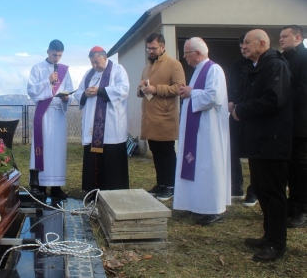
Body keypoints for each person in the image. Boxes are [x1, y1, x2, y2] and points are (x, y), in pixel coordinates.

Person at [232, 29, 291, 262]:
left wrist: (241, 110)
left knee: (274, 193)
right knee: (263, 191)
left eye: (248, 42)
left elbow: (274, 100)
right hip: (258, 141)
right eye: (243, 43)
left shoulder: (276, 66)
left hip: (273, 140)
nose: (244, 46)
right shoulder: (256, 67)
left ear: (263, 43)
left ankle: (277, 244)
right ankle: (269, 236)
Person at [173, 37, 231, 226]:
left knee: (208, 167)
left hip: (209, 129)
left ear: (197, 53)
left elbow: (215, 96)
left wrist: (192, 93)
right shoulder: (198, 71)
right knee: (197, 166)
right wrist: (187, 92)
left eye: (186, 53)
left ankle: (212, 209)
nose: (184, 57)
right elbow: (196, 93)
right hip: (197, 129)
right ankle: (197, 204)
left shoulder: (214, 69)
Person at [74, 46, 130, 191]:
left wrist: (100, 91)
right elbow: (78, 92)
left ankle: (114, 191)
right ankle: (93, 191)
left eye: (96, 62)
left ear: (105, 58)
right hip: (92, 126)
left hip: (112, 125)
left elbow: (124, 89)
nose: (94, 65)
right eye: (92, 62)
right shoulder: (89, 74)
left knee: (112, 161)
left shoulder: (118, 70)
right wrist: (85, 94)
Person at [137, 33, 185, 201]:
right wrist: (142, 87)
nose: (150, 51)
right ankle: (161, 184)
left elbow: (179, 88)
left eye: (153, 48)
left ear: (163, 47)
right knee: (155, 151)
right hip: (150, 116)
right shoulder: (146, 67)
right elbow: (143, 92)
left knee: (166, 151)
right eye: (148, 48)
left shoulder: (174, 65)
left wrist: (157, 89)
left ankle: (171, 185)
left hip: (165, 116)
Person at [27, 39, 73, 199]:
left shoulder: (65, 70)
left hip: (58, 113)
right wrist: (47, 82)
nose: (57, 59)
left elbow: (68, 88)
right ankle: (39, 185)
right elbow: (31, 91)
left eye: (60, 55)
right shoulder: (37, 68)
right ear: (48, 51)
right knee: (42, 149)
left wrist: (67, 98)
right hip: (43, 114)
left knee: (58, 150)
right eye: (55, 55)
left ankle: (56, 187)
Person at [279, 25, 307, 228]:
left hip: (301, 122)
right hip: (286, 123)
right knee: (289, 167)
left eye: (284, 36)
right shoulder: (283, 59)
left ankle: (303, 210)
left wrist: (281, 103)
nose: (280, 39)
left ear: (298, 37)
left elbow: (303, 89)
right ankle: (292, 204)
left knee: (301, 167)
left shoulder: (305, 58)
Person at [227, 35, 257, 206]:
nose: (244, 49)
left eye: (247, 45)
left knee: (253, 152)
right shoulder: (237, 64)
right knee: (233, 149)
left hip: (250, 112)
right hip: (235, 112)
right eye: (241, 46)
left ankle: (254, 191)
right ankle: (236, 186)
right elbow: (231, 85)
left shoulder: (263, 65)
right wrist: (231, 102)